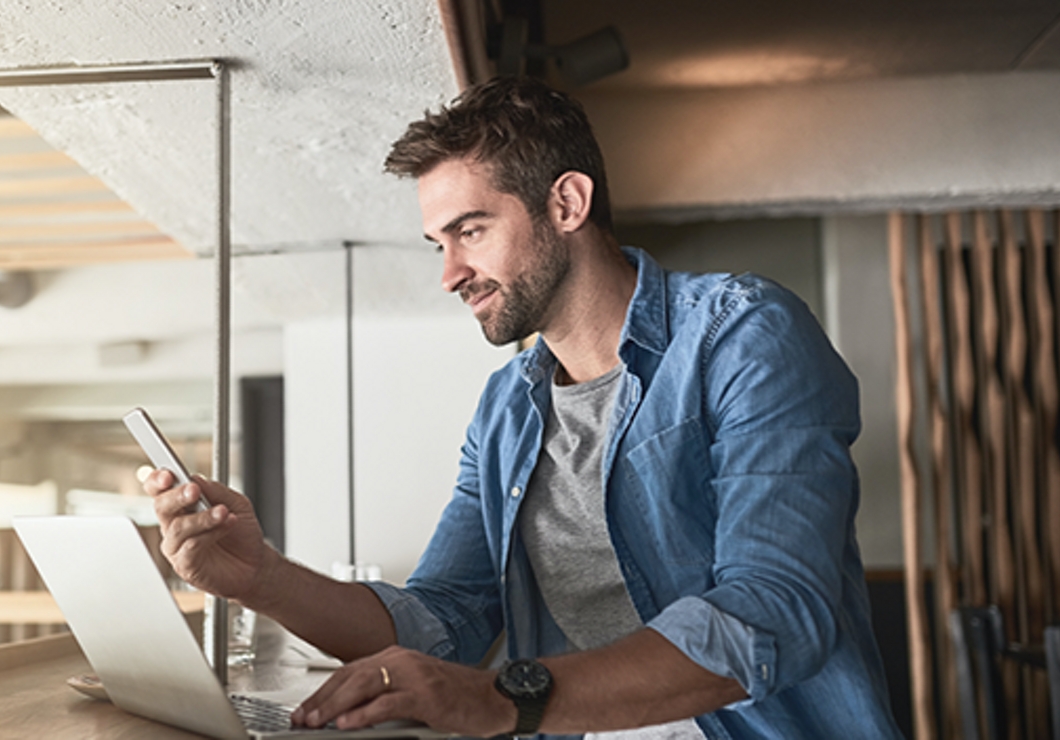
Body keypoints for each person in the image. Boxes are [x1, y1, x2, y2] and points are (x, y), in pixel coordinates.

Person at [147, 76, 904, 739]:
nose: (449, 274)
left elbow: (774, 610)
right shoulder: (508, 410)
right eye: (436, 244)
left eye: (470, 231)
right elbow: (443, 624)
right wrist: (260, 578)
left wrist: (506, 698)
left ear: (567, 202)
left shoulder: (742, 335)